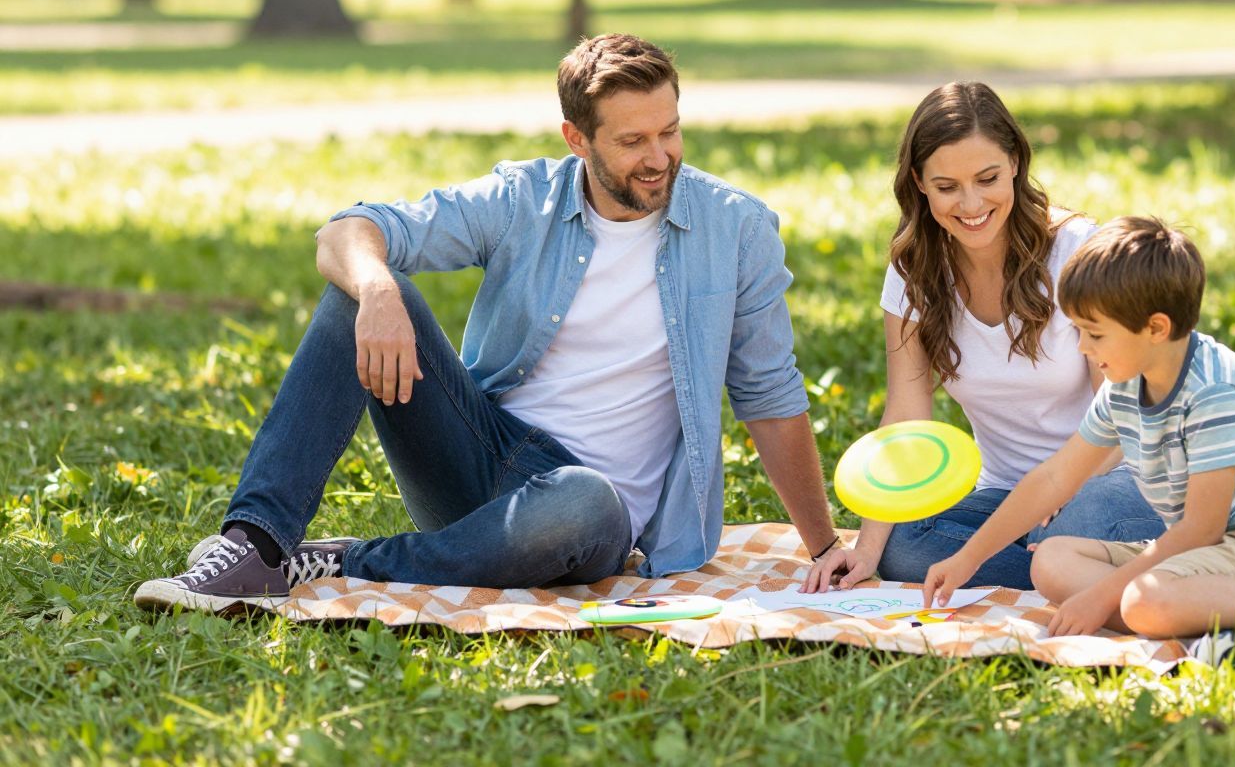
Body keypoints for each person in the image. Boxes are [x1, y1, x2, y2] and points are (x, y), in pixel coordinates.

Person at [135, 33, 838, 613]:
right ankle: (257, 544)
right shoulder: (521, 198)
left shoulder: (736, 228)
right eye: (632, 142)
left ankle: (341, 561)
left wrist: (826, 545)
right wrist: (378, 288)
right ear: (577, 139)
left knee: (583, 500)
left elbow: (769, 397)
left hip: (587, 513)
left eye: (670, 131)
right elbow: (346, 232)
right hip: (478, 459)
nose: (659, 158)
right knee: (361, 289)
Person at [922, 217, 1235, 661]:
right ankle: (1213, 632)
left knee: (1139, 600)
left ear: (1155, 328)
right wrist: (968, 558)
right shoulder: (1126, 384)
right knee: (1051, 560)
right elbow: (1054, 477)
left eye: (1094, 334)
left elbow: (1202, 530)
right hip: (1205, 559)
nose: (1084, 348)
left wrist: (1101, 595)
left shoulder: (1214, 392)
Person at [802, 82, 1162, 594]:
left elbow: (1120, 406)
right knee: (904, 545)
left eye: (987, 178)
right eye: (946, 186)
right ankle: (1075, 571)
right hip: (1007, 495)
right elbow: (907, 412)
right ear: (920, 185)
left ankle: (1072, 559)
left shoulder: (1078, 250)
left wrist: (1066, 492)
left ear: (1015, 162)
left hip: (1107, 479)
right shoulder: (912, 274)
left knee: (1080, 525)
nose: (971, 204)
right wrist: (866, 550)